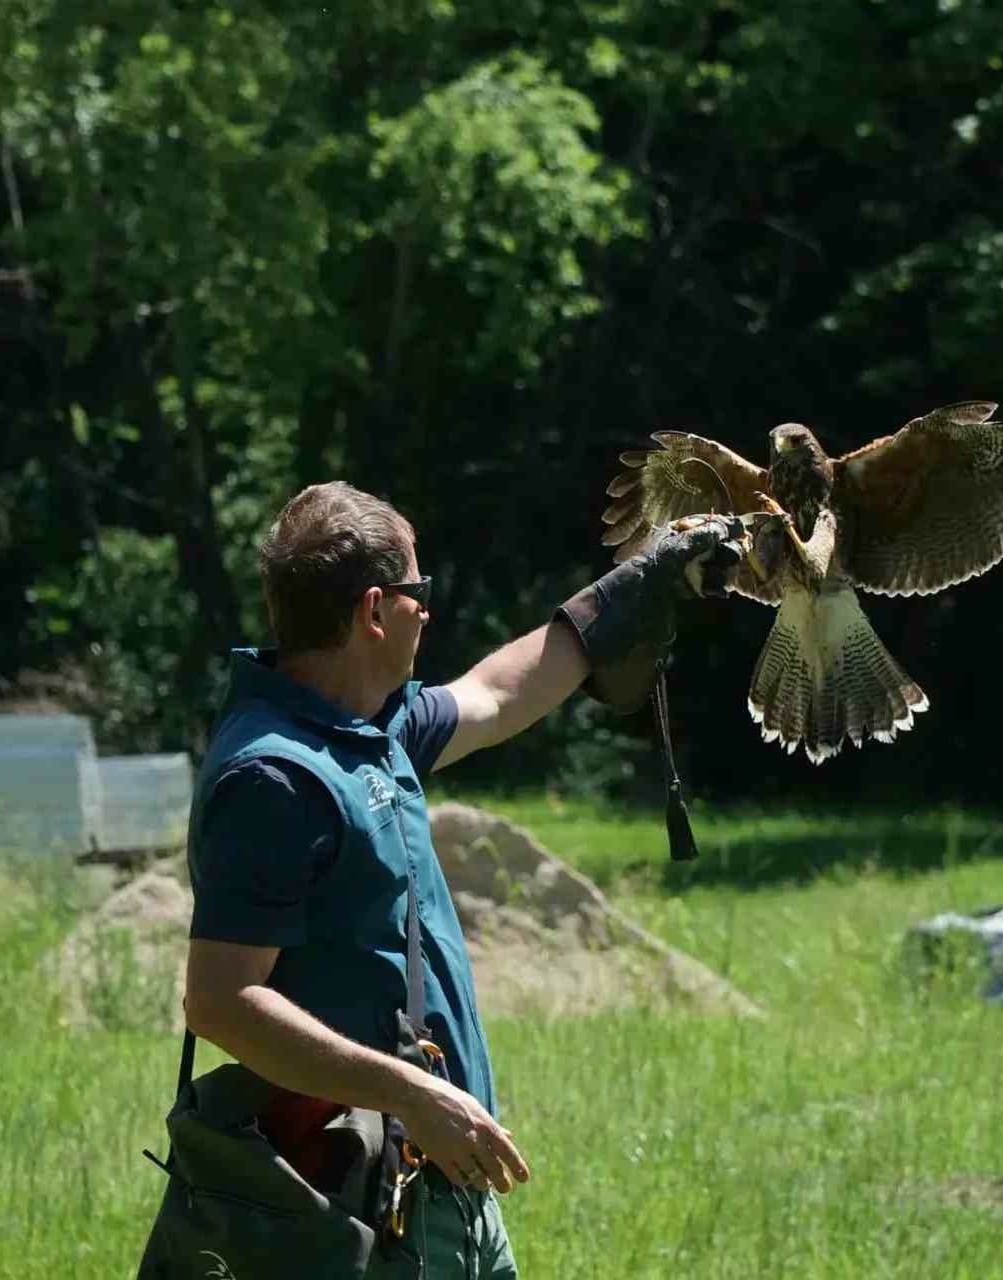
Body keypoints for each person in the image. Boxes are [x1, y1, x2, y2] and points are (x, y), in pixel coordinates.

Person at [180, 481, 741, 1278]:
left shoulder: (370, 728)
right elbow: (220, 1001)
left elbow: (496, 692)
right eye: (421, 591)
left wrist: (639, 582)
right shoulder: (275, 776)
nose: (429, 611)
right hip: (349, 1196)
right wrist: (408, 1094)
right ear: (375, 611)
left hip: (437, 1180)